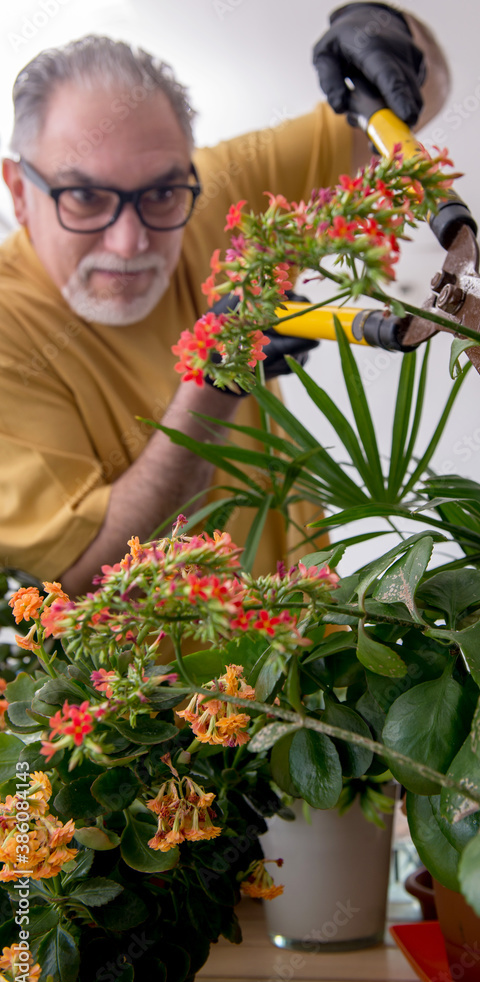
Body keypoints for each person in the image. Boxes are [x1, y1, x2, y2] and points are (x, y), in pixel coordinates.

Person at [0, 3, 448, 596]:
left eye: (160, 192)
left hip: (319, 635)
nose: (129, 241)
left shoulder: (214, 190)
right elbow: (96, 578)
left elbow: (423, 95)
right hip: (175, 684)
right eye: (84, 196)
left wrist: (384, 28)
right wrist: (213, 383)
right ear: (19, 192)